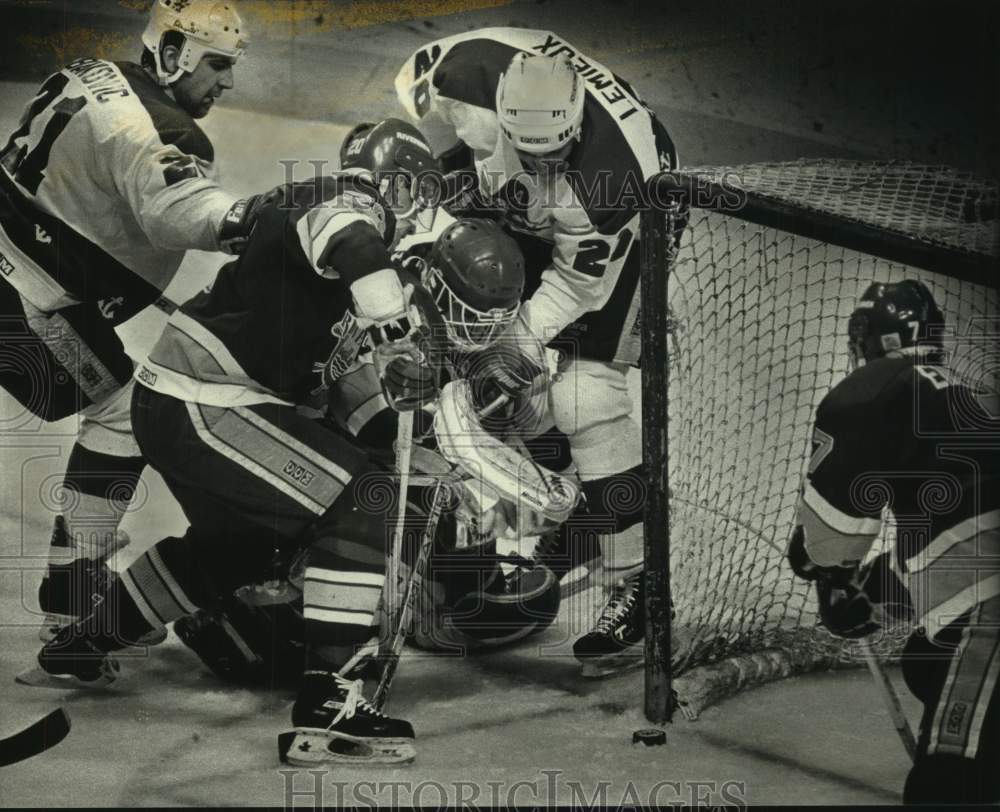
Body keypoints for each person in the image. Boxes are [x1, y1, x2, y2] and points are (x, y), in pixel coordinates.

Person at [18, 119, 443, 767]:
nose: (422, 213)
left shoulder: (315, 205)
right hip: (206, 403)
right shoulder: (352, 202)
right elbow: (352, 237)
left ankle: (84, 643)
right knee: (371, 501)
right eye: (421, 194)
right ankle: (332, 704)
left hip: (178, 400)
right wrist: (398, 333)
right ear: (402, 184)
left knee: (243, 545)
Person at [394, 28, 678, 673]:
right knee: (473, 310)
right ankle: (566, 503)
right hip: (522, 178)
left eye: (555, 154)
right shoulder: (462, 85)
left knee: (585, 394)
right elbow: (427, 163)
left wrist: (512, 348)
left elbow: (576, 284)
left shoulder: (607, 187)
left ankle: (639, 583)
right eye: (528, 151)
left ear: (573, 130)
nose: (543, 168)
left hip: (631, 224)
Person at [0, 0, 259, 641]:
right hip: (22, 291)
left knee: (127, 391)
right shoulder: (165, 130)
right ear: (172, 54)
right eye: (218, 65)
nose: (227, 82)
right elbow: (177, 212)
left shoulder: (89, 72)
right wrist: (260, 219)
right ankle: (72, 592)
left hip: (22, 262)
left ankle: (74, 573)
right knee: (127, 409)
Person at [787, 280, 999, 805]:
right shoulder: (962, 394)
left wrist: (825, 569)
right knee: (928, 657)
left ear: (876, 339)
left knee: (948, 788)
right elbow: (954, 543)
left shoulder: (879, 385)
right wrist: (869, 595)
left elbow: (831, 530)